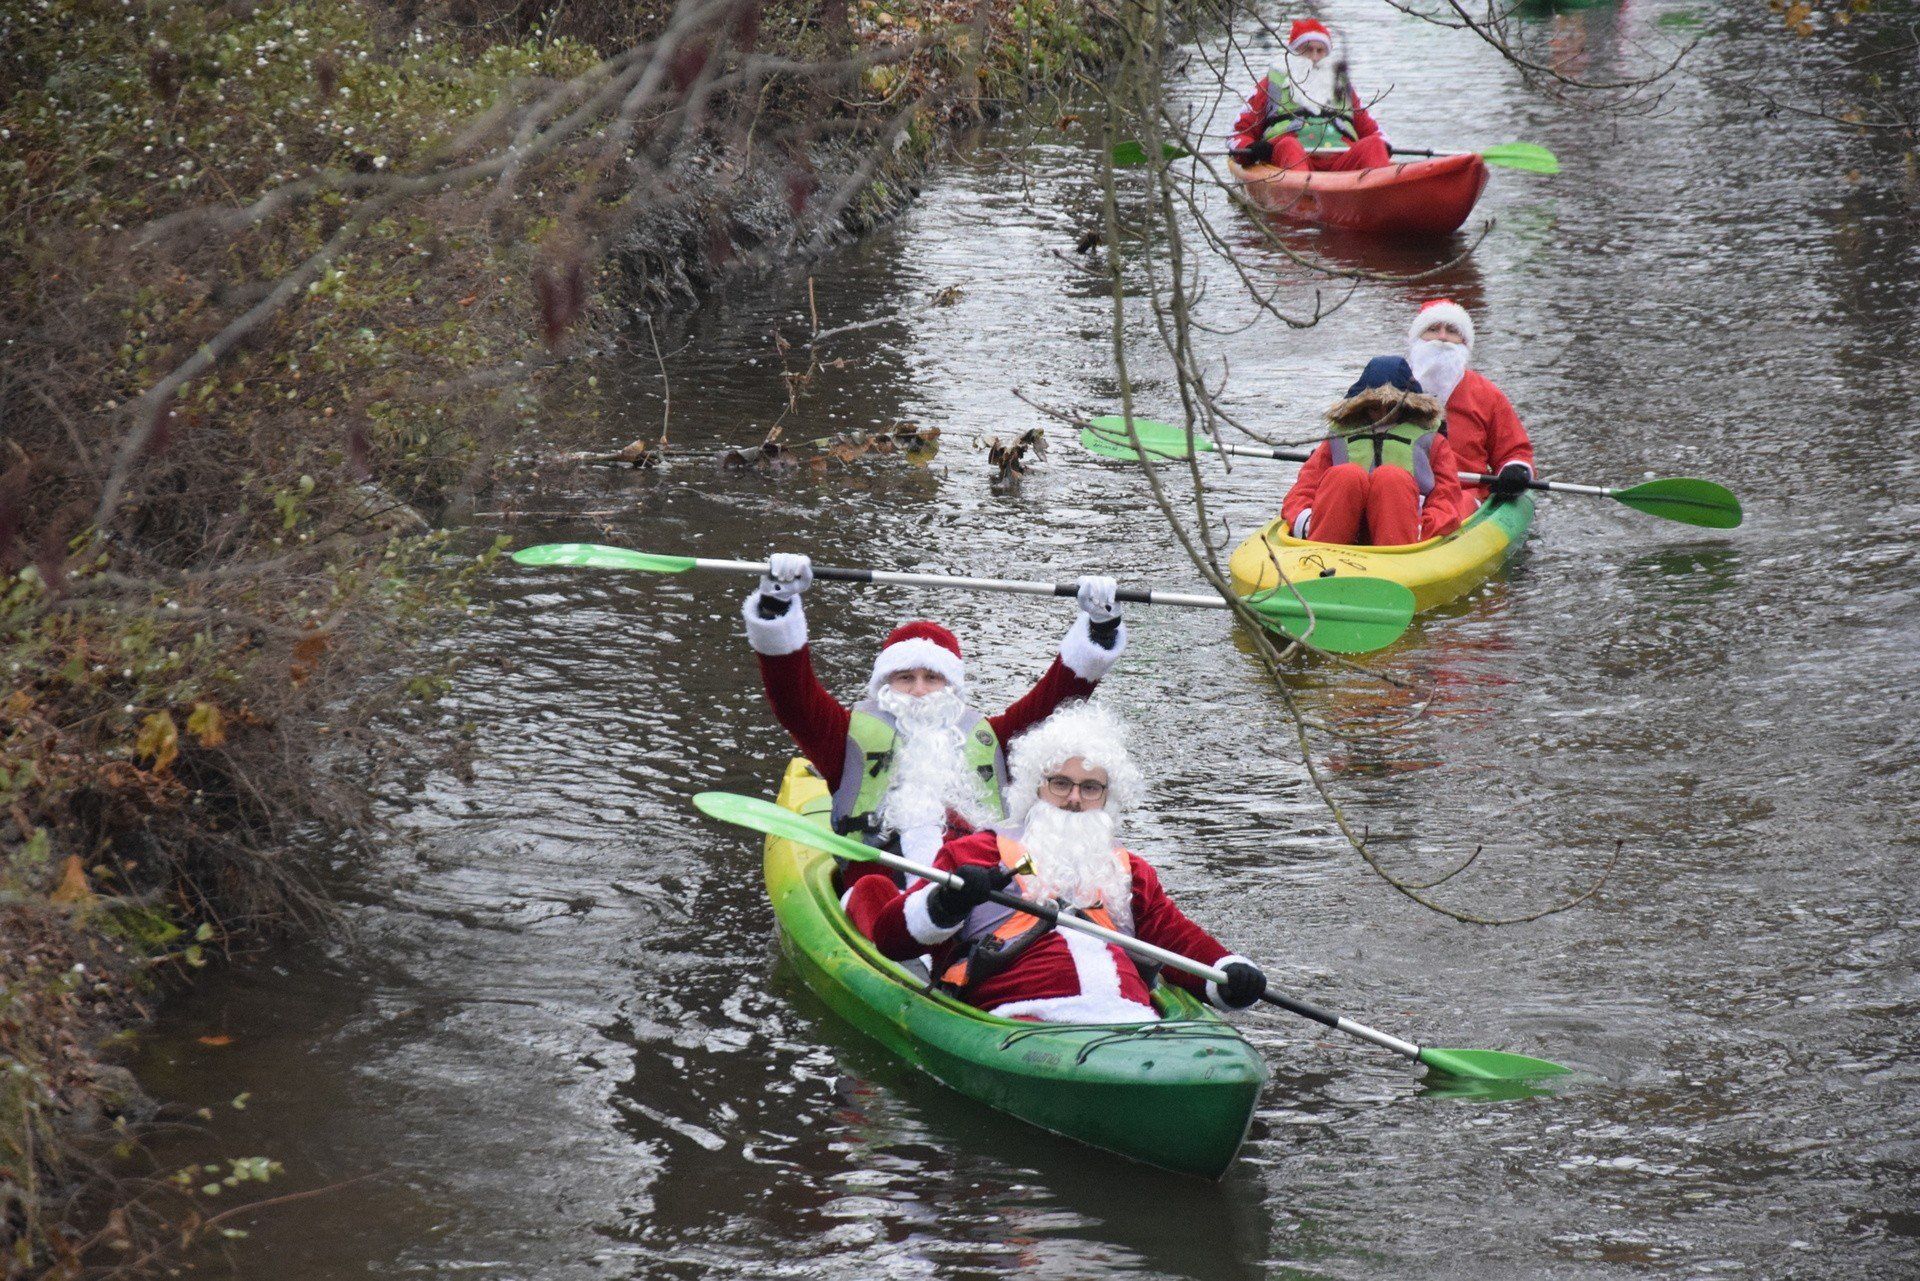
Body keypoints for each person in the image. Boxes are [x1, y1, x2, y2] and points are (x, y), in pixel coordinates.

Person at [847, 702, 1269, 1025]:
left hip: (1129, 1019)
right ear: (1036, 787)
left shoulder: (1130, 869)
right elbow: (892, 938)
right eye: (1061, 783)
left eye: (1090, 788)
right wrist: (946, 902)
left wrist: (1229, 973)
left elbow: (1180, 941)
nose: (1073, 798)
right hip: (1021, 1016)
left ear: (1107, 797)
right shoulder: (976, 852)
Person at [743, 555, 1126, 888]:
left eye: (932, 678)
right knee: (873, 896)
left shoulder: (991, 736)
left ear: (951, 686)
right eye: (905, 678)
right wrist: (778, 606)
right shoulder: (844, 736)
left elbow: (1057, 697)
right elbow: (793, 697)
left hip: (980, 879)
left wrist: (1099, 627)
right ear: (885, 685)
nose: (919, 690)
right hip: (880, 878)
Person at [1281, 356, 1465, 546]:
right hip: (1335, 539)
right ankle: (1322, 548)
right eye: (1374, 407)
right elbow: (1303, 491)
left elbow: (1447, 498)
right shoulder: (1337, 439)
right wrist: (1308, 523)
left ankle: (1396, 550)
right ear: (1362, 405)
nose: (1383, 414)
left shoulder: (1432, 441)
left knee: (1391, 477)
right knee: (1345, 475)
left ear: (1407, 404)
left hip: (1403, 537)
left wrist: (1423, 528)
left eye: (1392, 406)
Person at [1405, 299, 1536, 508]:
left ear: (1464, 343)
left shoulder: (1486, 394)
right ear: (1417, 339)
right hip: (1403, 490)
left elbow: (1515, 450)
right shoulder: (1394, 386)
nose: (1442, 337)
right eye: (1432, 329)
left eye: (1452, 331)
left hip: (1463, 493)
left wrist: (1515, 470)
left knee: (1454, 506)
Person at [1228, 19, 1392, 174]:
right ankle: (1303, 196)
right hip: (1288, 162)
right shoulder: (1271, 84)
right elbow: (1238, 133)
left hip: (1341, 162)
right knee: (1289, 145)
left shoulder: (1342, 87)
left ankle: (1380, 195)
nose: (1314, 58)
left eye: (1320, 51)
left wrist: (1384, 146)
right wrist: (1250, 149)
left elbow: (1373, 132)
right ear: (1294, 52)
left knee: (1374, 144)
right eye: (1307, 49)